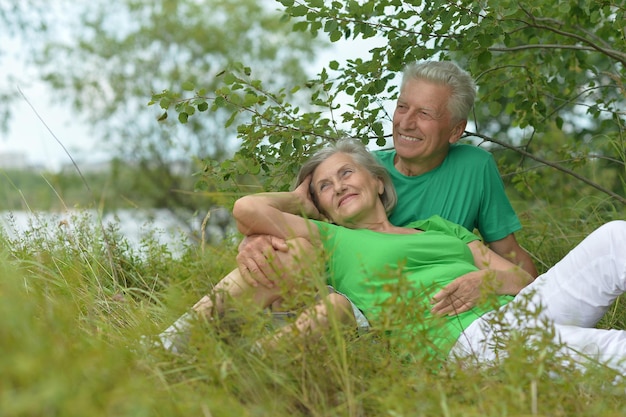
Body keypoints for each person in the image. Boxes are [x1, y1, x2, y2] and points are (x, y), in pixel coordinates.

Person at [159, 139, 626, 375]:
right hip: (466, 343)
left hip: (515, 314)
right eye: (326, 185)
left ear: (379, 182)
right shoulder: (331, 239)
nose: (339, 184)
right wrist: (300, 202)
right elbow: (247, 210)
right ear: (319, 206)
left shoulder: (441, 229)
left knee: (614, 237)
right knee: (614, 350)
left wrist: (484, 282)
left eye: (347, 172)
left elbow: (519, 280)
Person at [237, 61, 537, 317]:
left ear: (456, 130)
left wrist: (542, 294)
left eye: (424, 114)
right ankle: (204, 336)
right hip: (361, 302)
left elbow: (508, 253)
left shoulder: (475, 167)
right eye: (402, 107)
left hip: (439, 306)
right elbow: (295, 228)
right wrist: (256, 240)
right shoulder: (362, 176)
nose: (406, 123)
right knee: (289, 252)